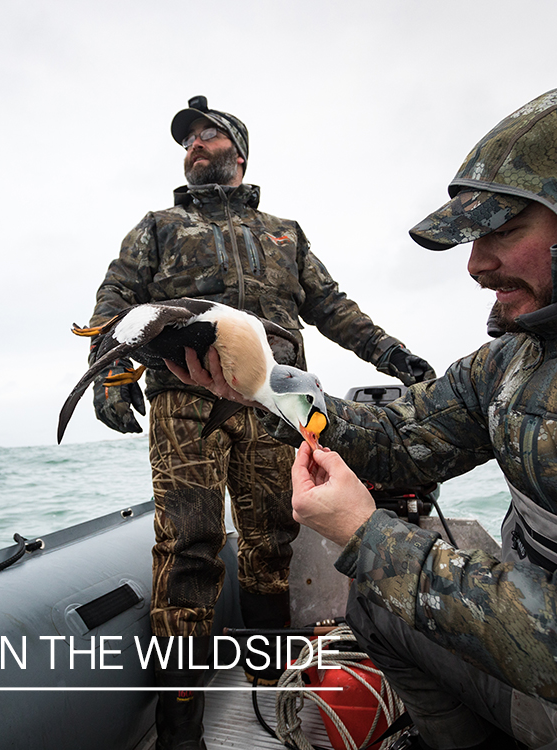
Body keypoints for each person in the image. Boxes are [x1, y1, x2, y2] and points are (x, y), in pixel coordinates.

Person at [168, 78, 557, 749]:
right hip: (553, 648)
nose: (475, 265)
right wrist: (264, 389)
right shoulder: (522, 352)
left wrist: (366, 534)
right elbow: (401, 438)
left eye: (502, 230)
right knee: (377, 601)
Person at [85, 95, 433, 749]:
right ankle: (180, 727)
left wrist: (395, 356)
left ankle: (272, 676)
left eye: (205, 135)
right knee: (186, 549)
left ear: (237, 153)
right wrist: (110, 371)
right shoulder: (157, 226)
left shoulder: (285, 233)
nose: (192, 145)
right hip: (182, 400)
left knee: (270, 544)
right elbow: (116, 300)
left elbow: (333, 308)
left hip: (274, 402)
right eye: (185, 139)